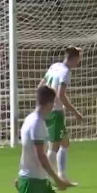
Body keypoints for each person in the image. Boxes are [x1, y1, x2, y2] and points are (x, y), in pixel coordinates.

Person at [40, 46, 84, 180]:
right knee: (54, 146)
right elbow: (61, 95)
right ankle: (42, 179)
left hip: (47, 110)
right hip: (55, 112)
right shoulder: (65, 72)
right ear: (75, 58)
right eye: (79, 59)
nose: (79, 63)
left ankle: (62, 176)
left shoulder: (54, 66)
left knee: (64, 143)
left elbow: (41, 85)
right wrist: (75, 112)